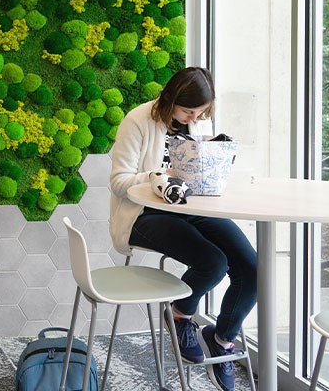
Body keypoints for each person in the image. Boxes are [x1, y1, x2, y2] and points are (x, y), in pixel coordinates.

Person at [108, 66, 256, 391]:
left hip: (193, 207)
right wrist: (161, 175)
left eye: (201, 112)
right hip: (143, 214)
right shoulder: (137, 121)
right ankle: (180, 315)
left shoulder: (199, 122)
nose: (194, 119)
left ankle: (222, 339)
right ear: (171, 99)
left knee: (253, 268)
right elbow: (118, 182)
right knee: (213, 262)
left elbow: (199, 171)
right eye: (189, 111)